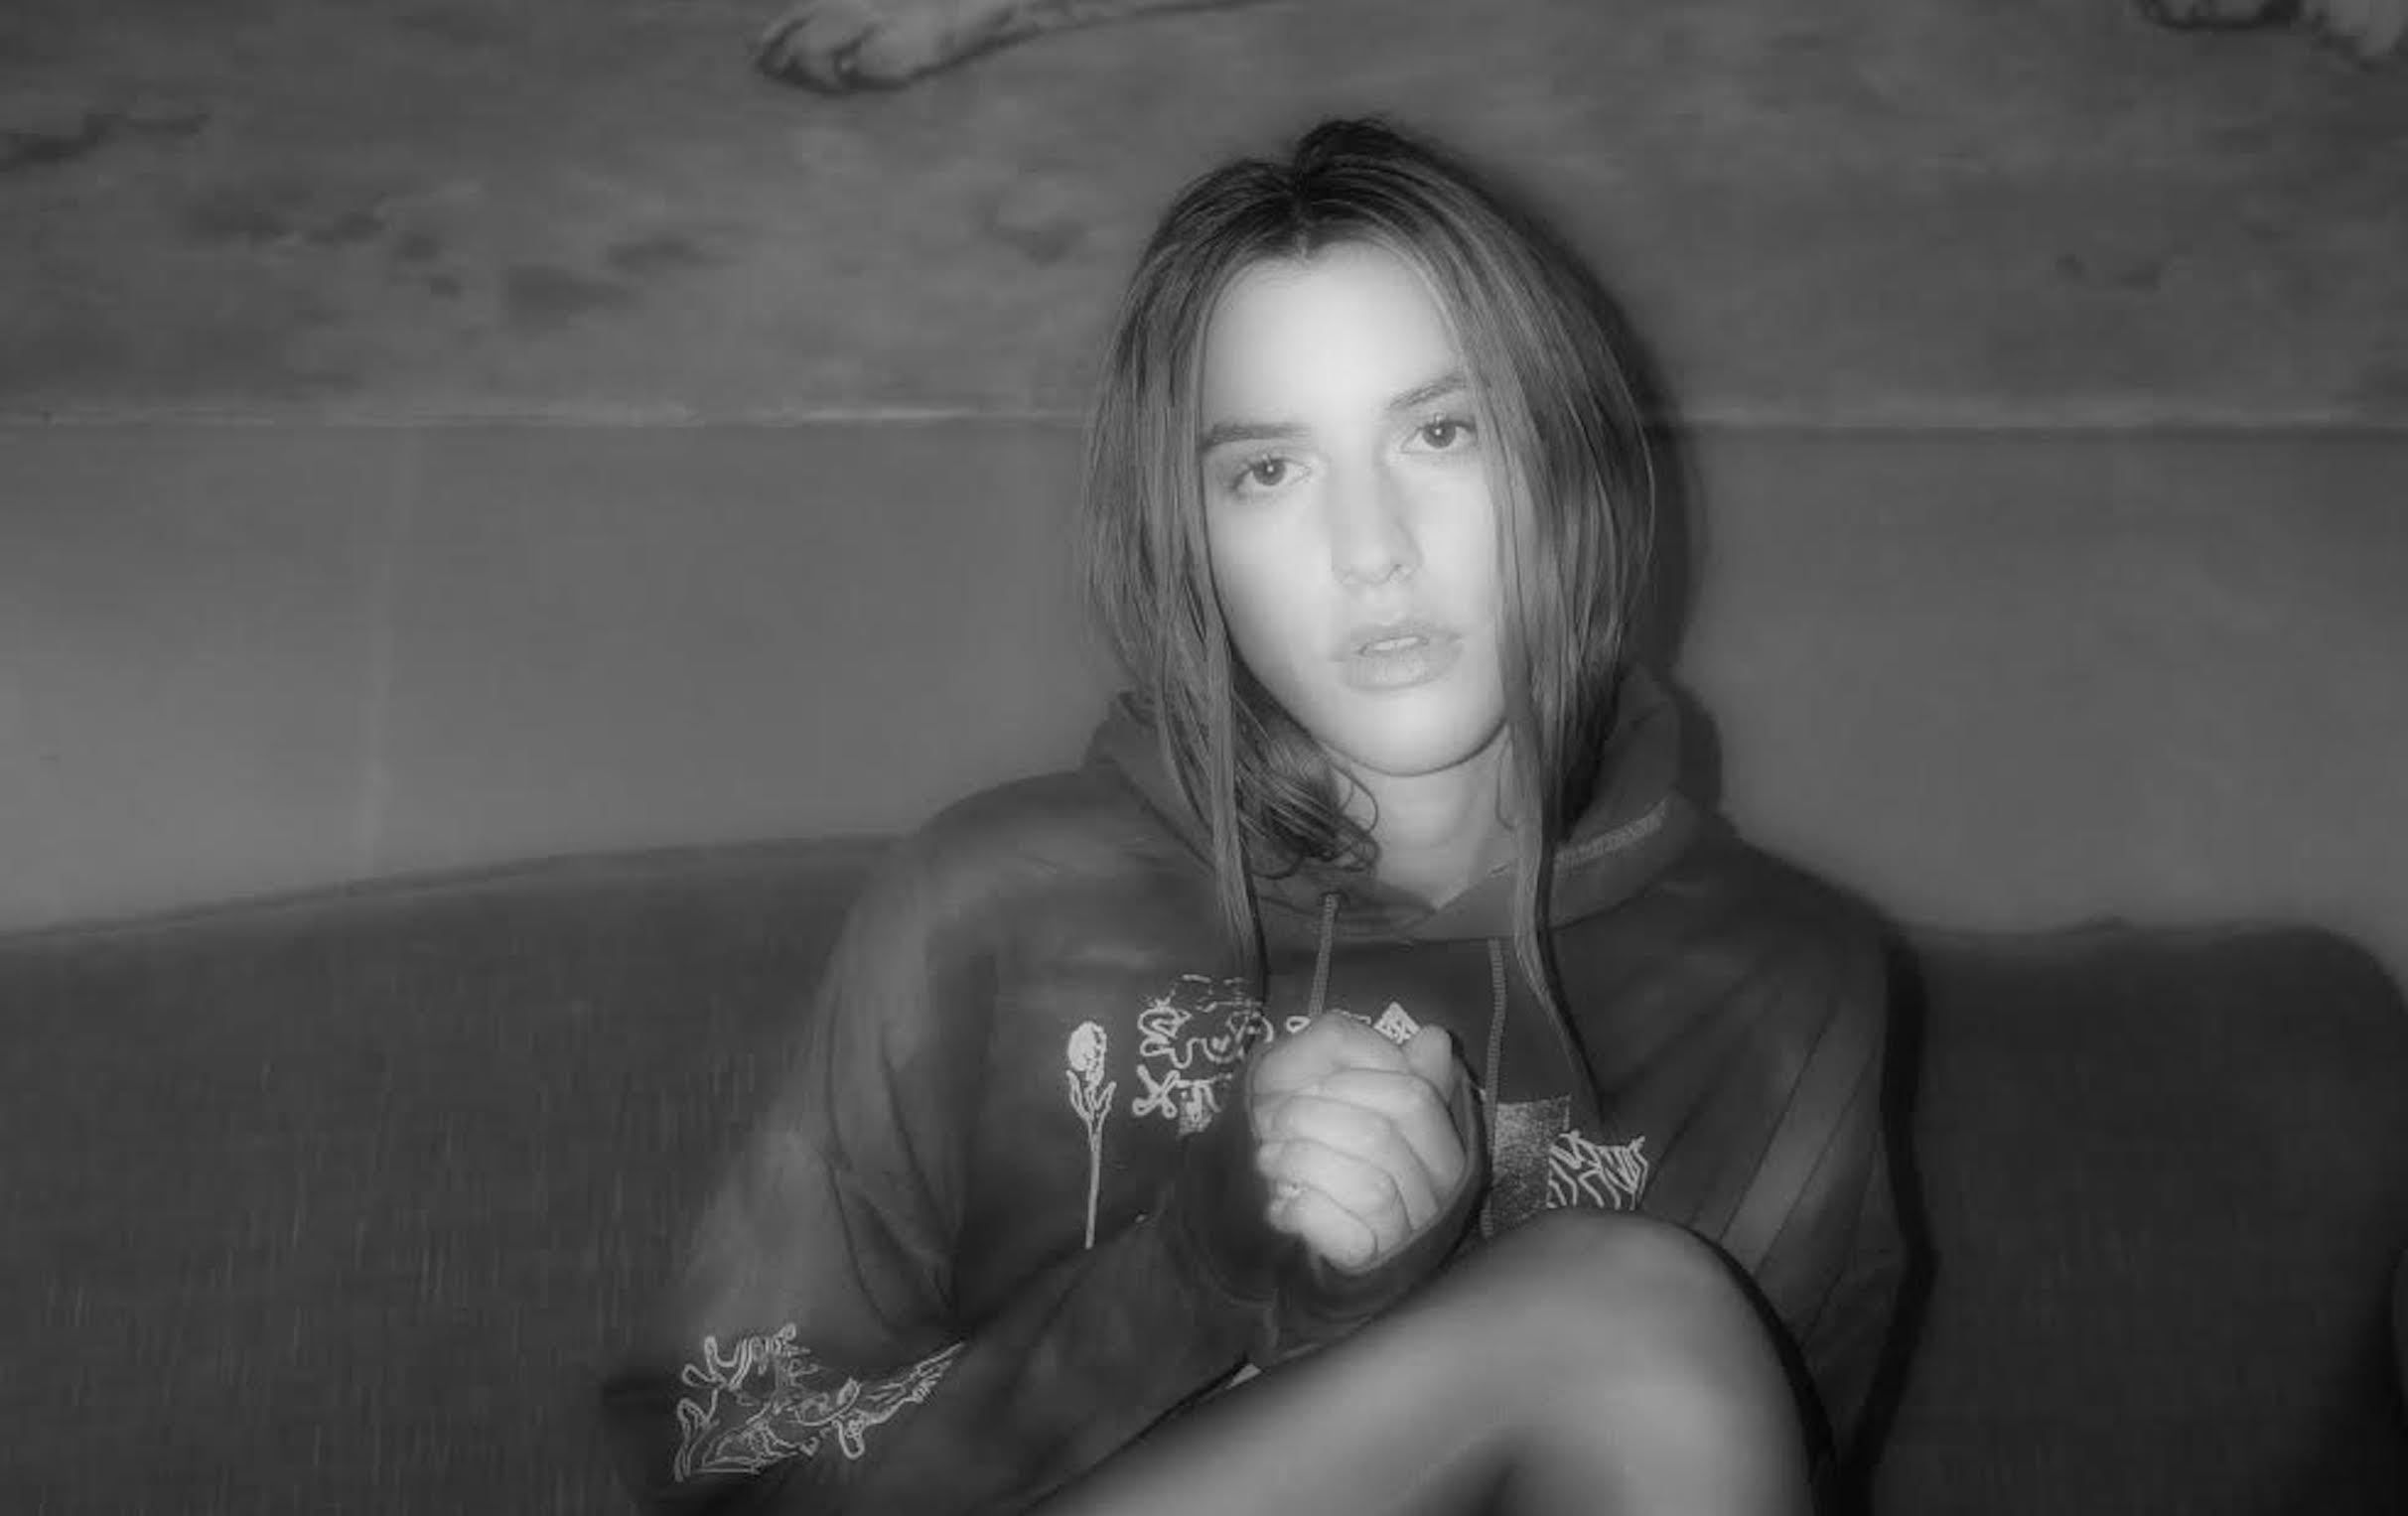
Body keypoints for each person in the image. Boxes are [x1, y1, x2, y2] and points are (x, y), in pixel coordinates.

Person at [598, 115, 1911, 1516]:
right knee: (1622, 1316)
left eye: (1443, 432)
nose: (1371, 551)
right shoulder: (993, 903)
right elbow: (730, 1468)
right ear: (1191, 543)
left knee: (1634, 1329)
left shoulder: (1778, 985)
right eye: (1269, 471)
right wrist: (1200, 1268)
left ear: (1568, 466)